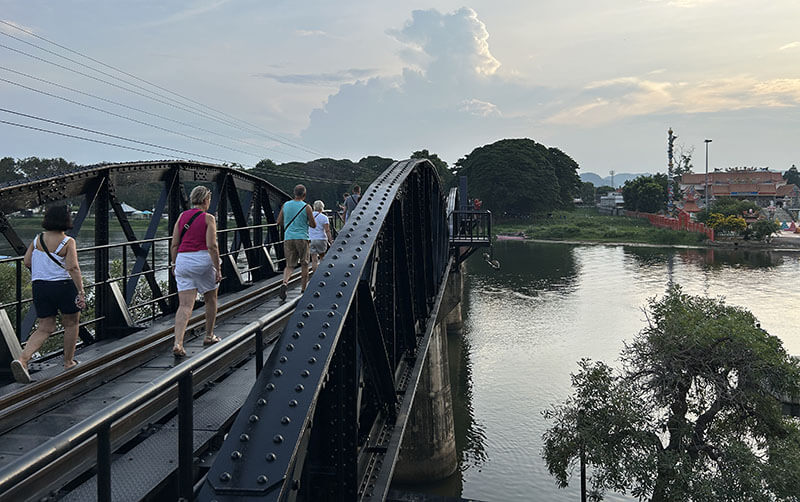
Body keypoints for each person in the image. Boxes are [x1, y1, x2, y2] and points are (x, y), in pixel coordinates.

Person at [11, 205, 86, 383]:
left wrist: (44, 270)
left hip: (40, 287)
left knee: (45, 326)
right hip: (63, 285)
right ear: (66, 219)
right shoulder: (68, 241)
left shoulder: (38, 239)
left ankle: (22, 360)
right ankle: (68, 362)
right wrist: (81, 290)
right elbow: (73, 267)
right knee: (71, 323)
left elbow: (27, 261)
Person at [170, 186, 221, 358]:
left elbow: (174, 244)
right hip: (202, 260)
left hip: (183, 261)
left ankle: (178, 343)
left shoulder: (181, 217)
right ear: (206, 200)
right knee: (211, 298)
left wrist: (174, 263)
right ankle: (209, 335)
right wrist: (218, 268)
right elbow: (212, 246)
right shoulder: (208, 218)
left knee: (184, 306)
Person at [276, 184, 316, 300]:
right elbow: (313, 225)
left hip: (288, 237)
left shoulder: (286, 205)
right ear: (304, 194)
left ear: (294, 193)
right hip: (302, 238)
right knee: (304, 264)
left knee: (289, 265)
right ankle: (303, 289)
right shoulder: (306, 207)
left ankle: (285, 282)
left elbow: (278, 222)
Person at [309, 200, 333, 274]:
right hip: (321, 239)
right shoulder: (324, 217)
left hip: (311, 239)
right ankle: (322, 273)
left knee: (314, 259)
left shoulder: (309, 216)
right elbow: (327, 230)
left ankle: (315, 275)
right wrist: (330, 240)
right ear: (322, 207)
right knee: (322, 257)